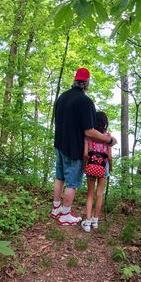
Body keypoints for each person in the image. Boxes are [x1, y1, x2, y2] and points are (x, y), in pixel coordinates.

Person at [51, 68, 117, 225]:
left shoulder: (62, 97)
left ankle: (56, 209)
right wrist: (109, 141)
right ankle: (65, 214)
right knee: (72, 183)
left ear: (75, 80)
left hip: (59, 144)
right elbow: (90, 131)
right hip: (73, 148)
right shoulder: (86, 102)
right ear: (87, 83)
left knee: (60, 177)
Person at [81, 111, 112, 233]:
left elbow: (85, 154)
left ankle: (87, 223)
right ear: (105, 123)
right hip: (104, 167)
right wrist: (112, 167)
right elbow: (109, 157)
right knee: (99, 194)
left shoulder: (88, 135)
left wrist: (85, 167)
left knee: (90, 194)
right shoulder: (107, 136)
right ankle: (95, 221)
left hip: (91, 166)